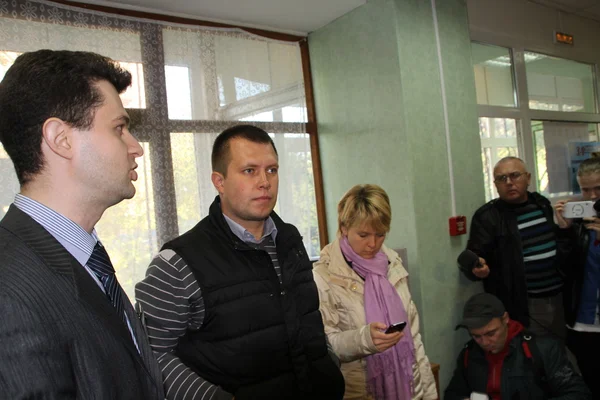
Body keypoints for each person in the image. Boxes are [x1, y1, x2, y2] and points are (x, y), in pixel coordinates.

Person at [135, 124, 345, 400]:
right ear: (219, 182)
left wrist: (329, 368)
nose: (265, 182)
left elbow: (305, 320)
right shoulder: (177, 263)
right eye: (250, 171)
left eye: (272, 170)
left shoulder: (290, 240)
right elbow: (151, 356)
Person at [0, 50, 163, 398]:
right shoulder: (9, 288)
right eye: (119, 128)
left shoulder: (81, 255)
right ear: (61, 139)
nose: (136, 147)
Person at [313, 184, 437, 400]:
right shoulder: (324, 275)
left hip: (409, 387)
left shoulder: (392, 264)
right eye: (363, 234)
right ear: (344, 227)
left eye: (380, 234)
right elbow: (324, 344)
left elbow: (414, 337)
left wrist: (428, 392)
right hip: (360, 392)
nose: (372, 244)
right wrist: (365, 339)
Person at [461, 156, 570, 338]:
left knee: (560, 351)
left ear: (528, 178)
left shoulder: (542, 204)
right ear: (495, 184)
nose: (509, 182)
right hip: (524, 304)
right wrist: (476, 267)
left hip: (559, 296)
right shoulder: (488, 216)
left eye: (514, 175)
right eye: (502, 179)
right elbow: (474, 257)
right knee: (533, 355)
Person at [445, 292, 590, 400]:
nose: (484, 342)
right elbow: (452, 393)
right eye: (476, 336)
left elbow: (578, 393)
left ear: (505, 319)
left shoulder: (542, 348)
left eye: (491, 333)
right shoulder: (469, 353)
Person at [554, 157, 600, 398]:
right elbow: (564, 269)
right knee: (592, 381)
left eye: (598, 188)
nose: (591, 196)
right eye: (585, 189)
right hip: (584, 322)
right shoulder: (579, 222)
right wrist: (564, 231)